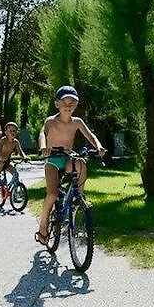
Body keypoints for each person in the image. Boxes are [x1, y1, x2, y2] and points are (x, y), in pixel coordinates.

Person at [35, 85, 105, 246]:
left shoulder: (77, 122)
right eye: (64, 103)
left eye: (71, 103)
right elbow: (42, 134)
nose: (68, 106)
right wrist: (43, 147)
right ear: (57, 104)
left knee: (80, 163)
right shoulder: (51, 121)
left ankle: (79, 197)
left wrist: (99, 146)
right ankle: (43, 223)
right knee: (52, 194)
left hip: (67, 157)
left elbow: (90, 135)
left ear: (76, 105)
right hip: (52, 159)